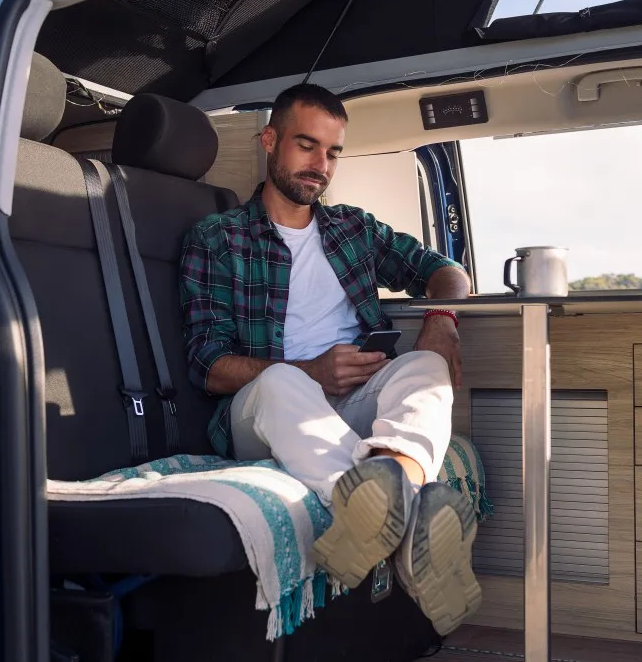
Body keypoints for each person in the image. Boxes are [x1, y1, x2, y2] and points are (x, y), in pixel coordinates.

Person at [179, 83, 480, 634]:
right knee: (280, 384)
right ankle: (418, 530)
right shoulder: (219, 238)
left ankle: (395, 487)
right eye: (306, 145)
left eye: (333, 152)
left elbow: (448, 271)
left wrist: (442, 321)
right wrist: (313, 371)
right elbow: (208, 363)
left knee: (425, 367)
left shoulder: (354, 230)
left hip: (353, 399)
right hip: (267, 411)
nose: (321, 165)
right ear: (269, 140)